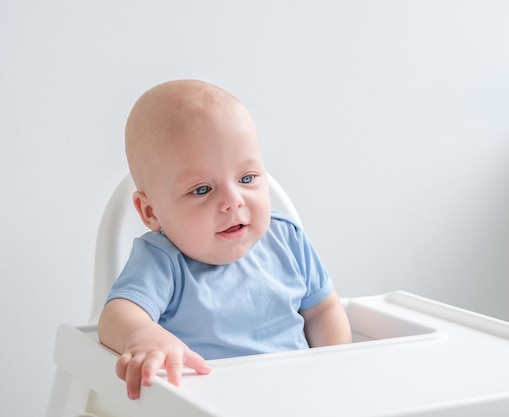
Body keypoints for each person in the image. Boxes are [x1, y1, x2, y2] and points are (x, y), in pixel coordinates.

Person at [97, 80, 352, 400]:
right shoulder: (163, 261)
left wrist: (337, 367)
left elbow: (323, 311)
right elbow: (115, 316)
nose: (234, 200)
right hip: (211, 404)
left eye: (247, 178)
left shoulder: (287, 240)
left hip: (298, 397)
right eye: (202, 189)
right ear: (150, 212)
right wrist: (144, 336)